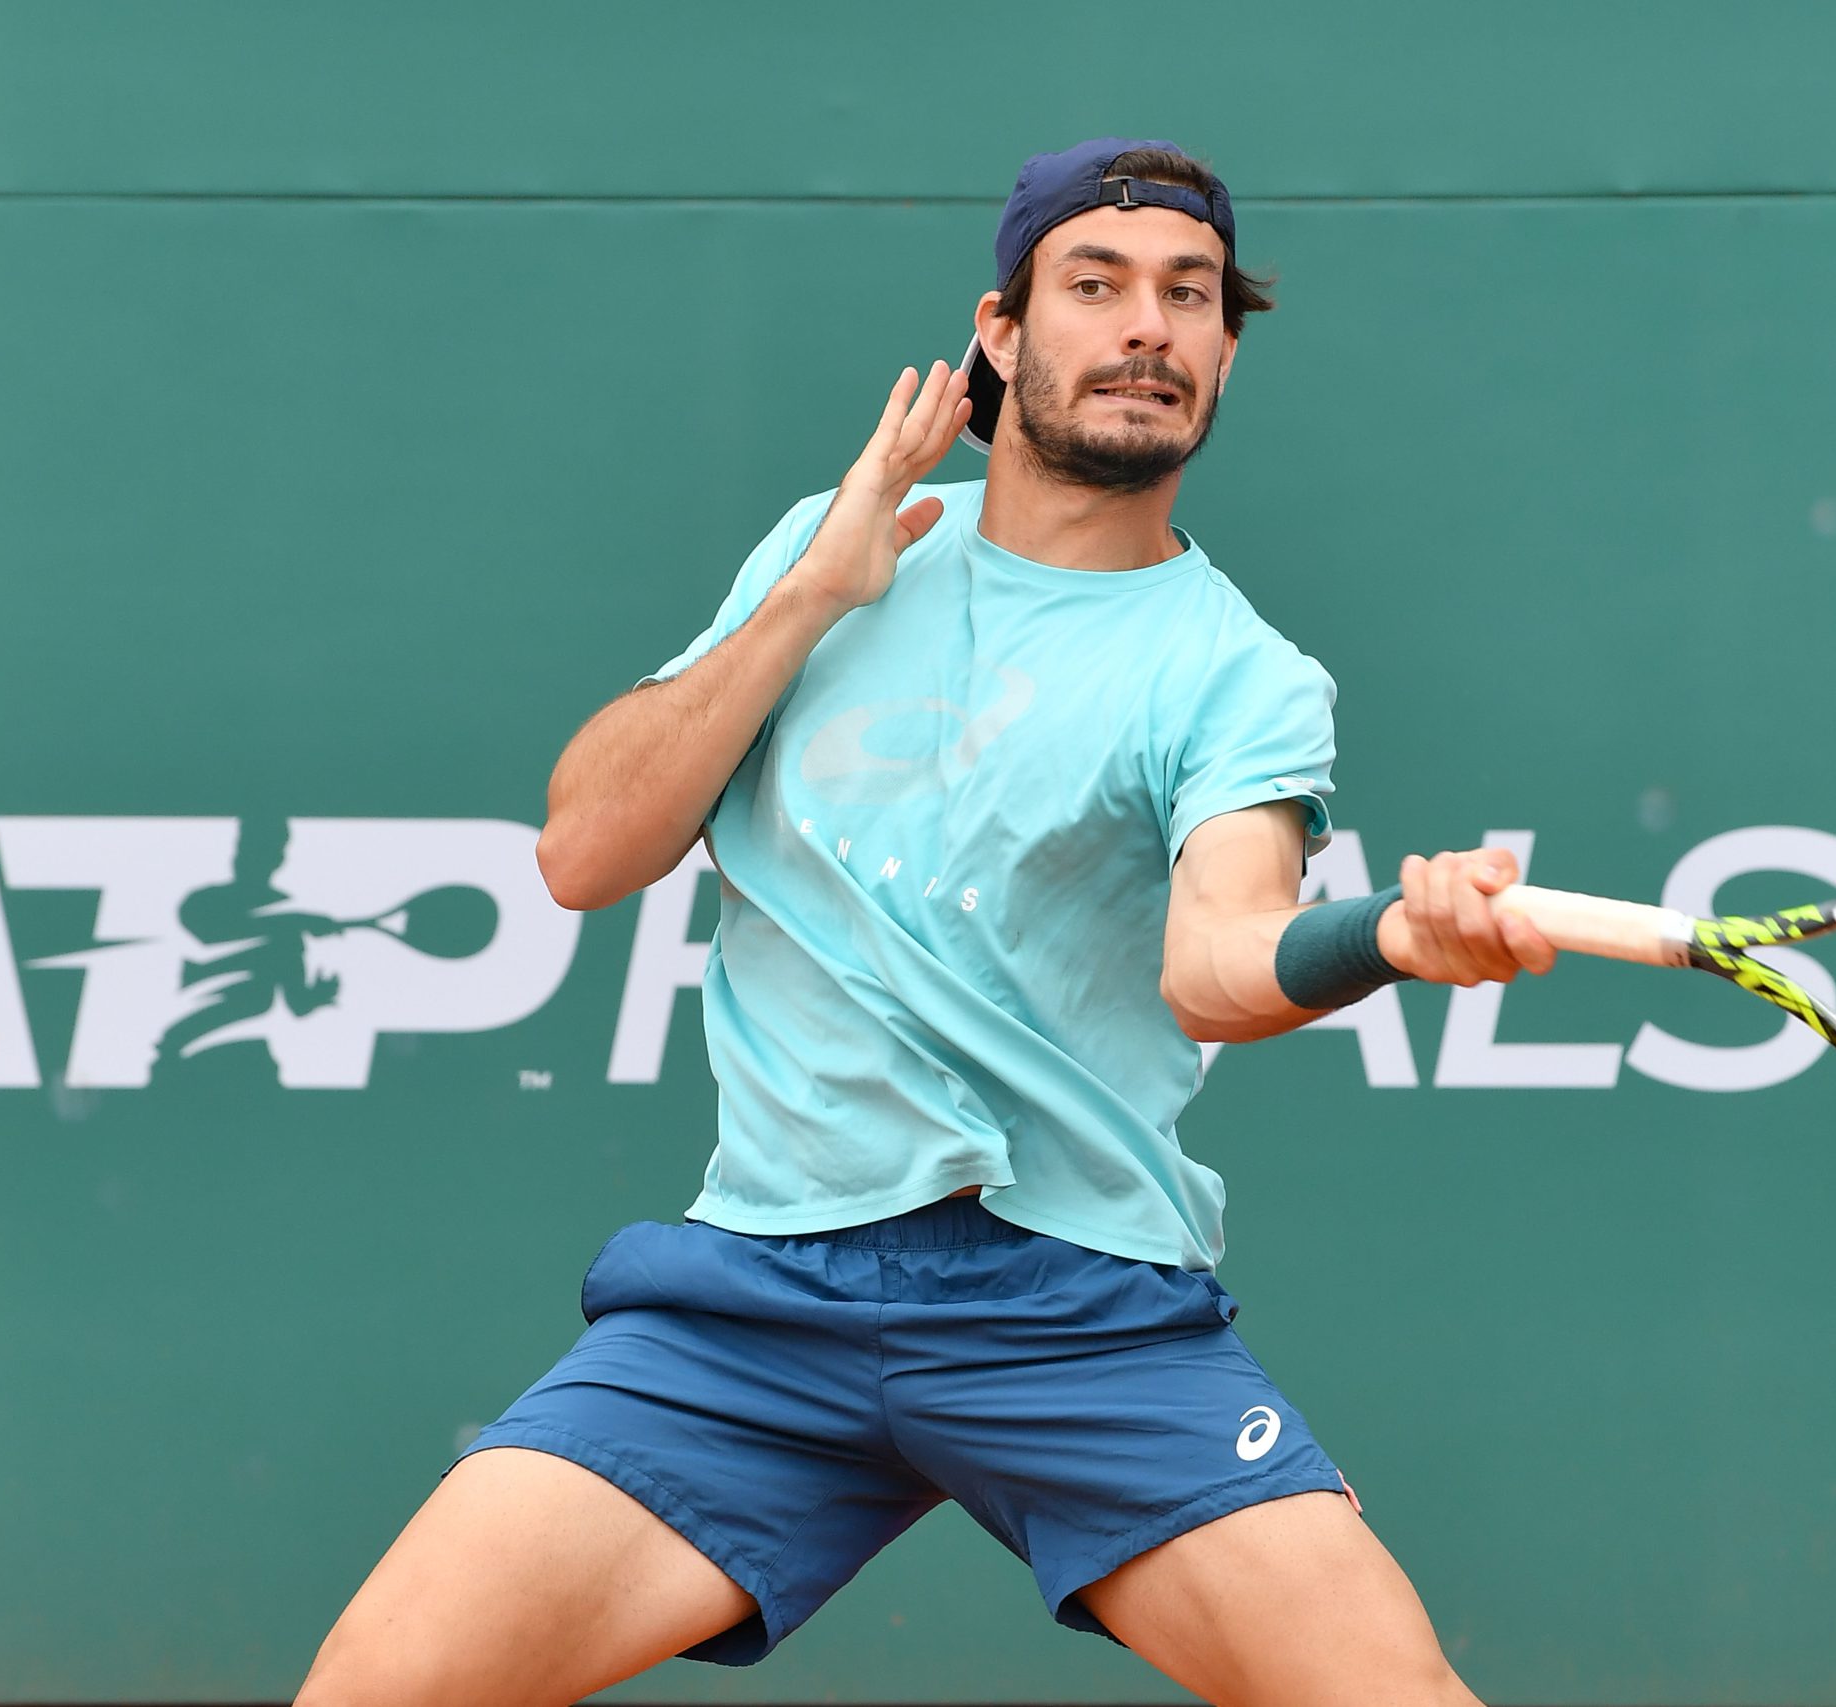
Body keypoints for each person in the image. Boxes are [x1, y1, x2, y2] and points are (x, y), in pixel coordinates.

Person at [296, 137, 1554, 1707]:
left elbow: (1220, 966)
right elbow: (583, 850)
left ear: (1227, 349)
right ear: (1004, 334)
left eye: (1190, 296)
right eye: (1094, 287)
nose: (1148, 329)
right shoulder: (831, 551)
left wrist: (1389, 937)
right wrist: (814, 592)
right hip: (755, 1304)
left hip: (1076, 1313)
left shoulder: (1242, 674)